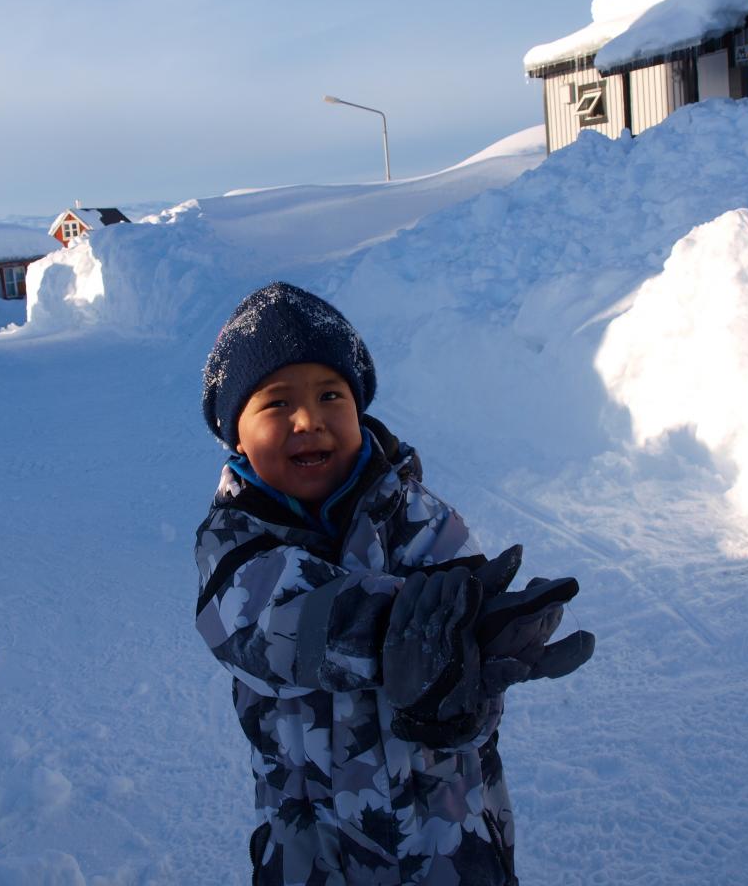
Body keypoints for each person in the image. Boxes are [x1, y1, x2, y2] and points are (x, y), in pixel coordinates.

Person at [194, 282, 594, 885]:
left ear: (359, 410)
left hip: (449, 835)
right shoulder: (233, 542)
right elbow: (271, 628)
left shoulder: (423, 519)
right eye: (276, 404)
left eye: (332, 395)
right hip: (318, 847)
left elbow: (471, 682)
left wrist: (469, 677)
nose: (309, 419)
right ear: (237, 437)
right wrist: (397, 633)